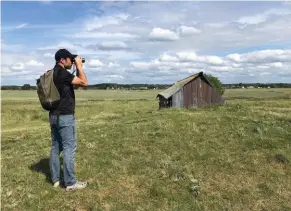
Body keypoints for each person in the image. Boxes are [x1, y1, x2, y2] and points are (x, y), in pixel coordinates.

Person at [49, 48, 88, 191]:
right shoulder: (63, 73)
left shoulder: (51, 73)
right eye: (70, 59)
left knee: (55, 148)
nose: (71, 61)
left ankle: (55, 180)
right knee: (69, 148)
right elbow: (84, 83)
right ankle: (70, 183)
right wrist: (79, 66)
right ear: (62, 60)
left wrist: (76, 67)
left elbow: (76, 84)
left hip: (53, 116)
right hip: (65, 116)